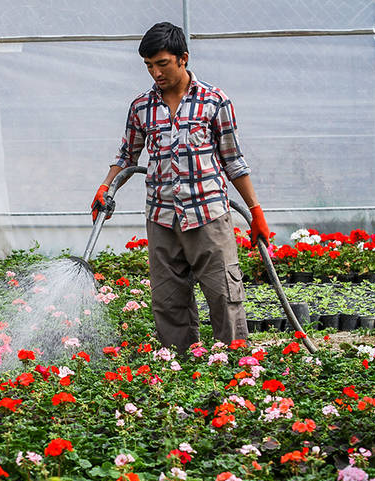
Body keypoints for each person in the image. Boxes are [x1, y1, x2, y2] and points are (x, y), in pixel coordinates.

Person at [91, 22, 269, 354]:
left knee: (224, 296)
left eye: (162, 64)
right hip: (162, 218)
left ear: (183, 58)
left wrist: (256, 212)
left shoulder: (214, 101)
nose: (155, 73)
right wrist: (106, 187)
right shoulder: (141, 107)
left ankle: (236, 370)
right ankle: (182, 370)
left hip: (209, 217)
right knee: (168, 302)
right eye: (149, 66)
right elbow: (127, 156)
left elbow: (234, 161)